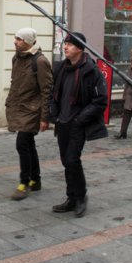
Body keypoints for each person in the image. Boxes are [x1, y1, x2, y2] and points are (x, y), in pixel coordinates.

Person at [49, 32, 108, 217]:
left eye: (70, 44)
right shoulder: (60, 68)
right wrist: (54, 114)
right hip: (62, 123)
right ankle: (71, 198)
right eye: (65, 43)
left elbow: (100, 100)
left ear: (80, 48)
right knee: (67, 161)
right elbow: (53, 94)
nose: (65, 47)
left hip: (78, 124)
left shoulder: (91, 70)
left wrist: (79, 119)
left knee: (73, 160)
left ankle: (81, 197)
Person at [5, 28, 53, 201]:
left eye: (18, 39)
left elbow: (46, 90)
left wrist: (44, 117)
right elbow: (14, 83)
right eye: (15, 37)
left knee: (22, 143)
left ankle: (23, 183)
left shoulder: (39, 61)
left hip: (32, 110)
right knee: (29, 144)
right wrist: (9, 103)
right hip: (19, 107)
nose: (15, 41)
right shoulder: (16, 58)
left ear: (27, 41)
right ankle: (36, 179)